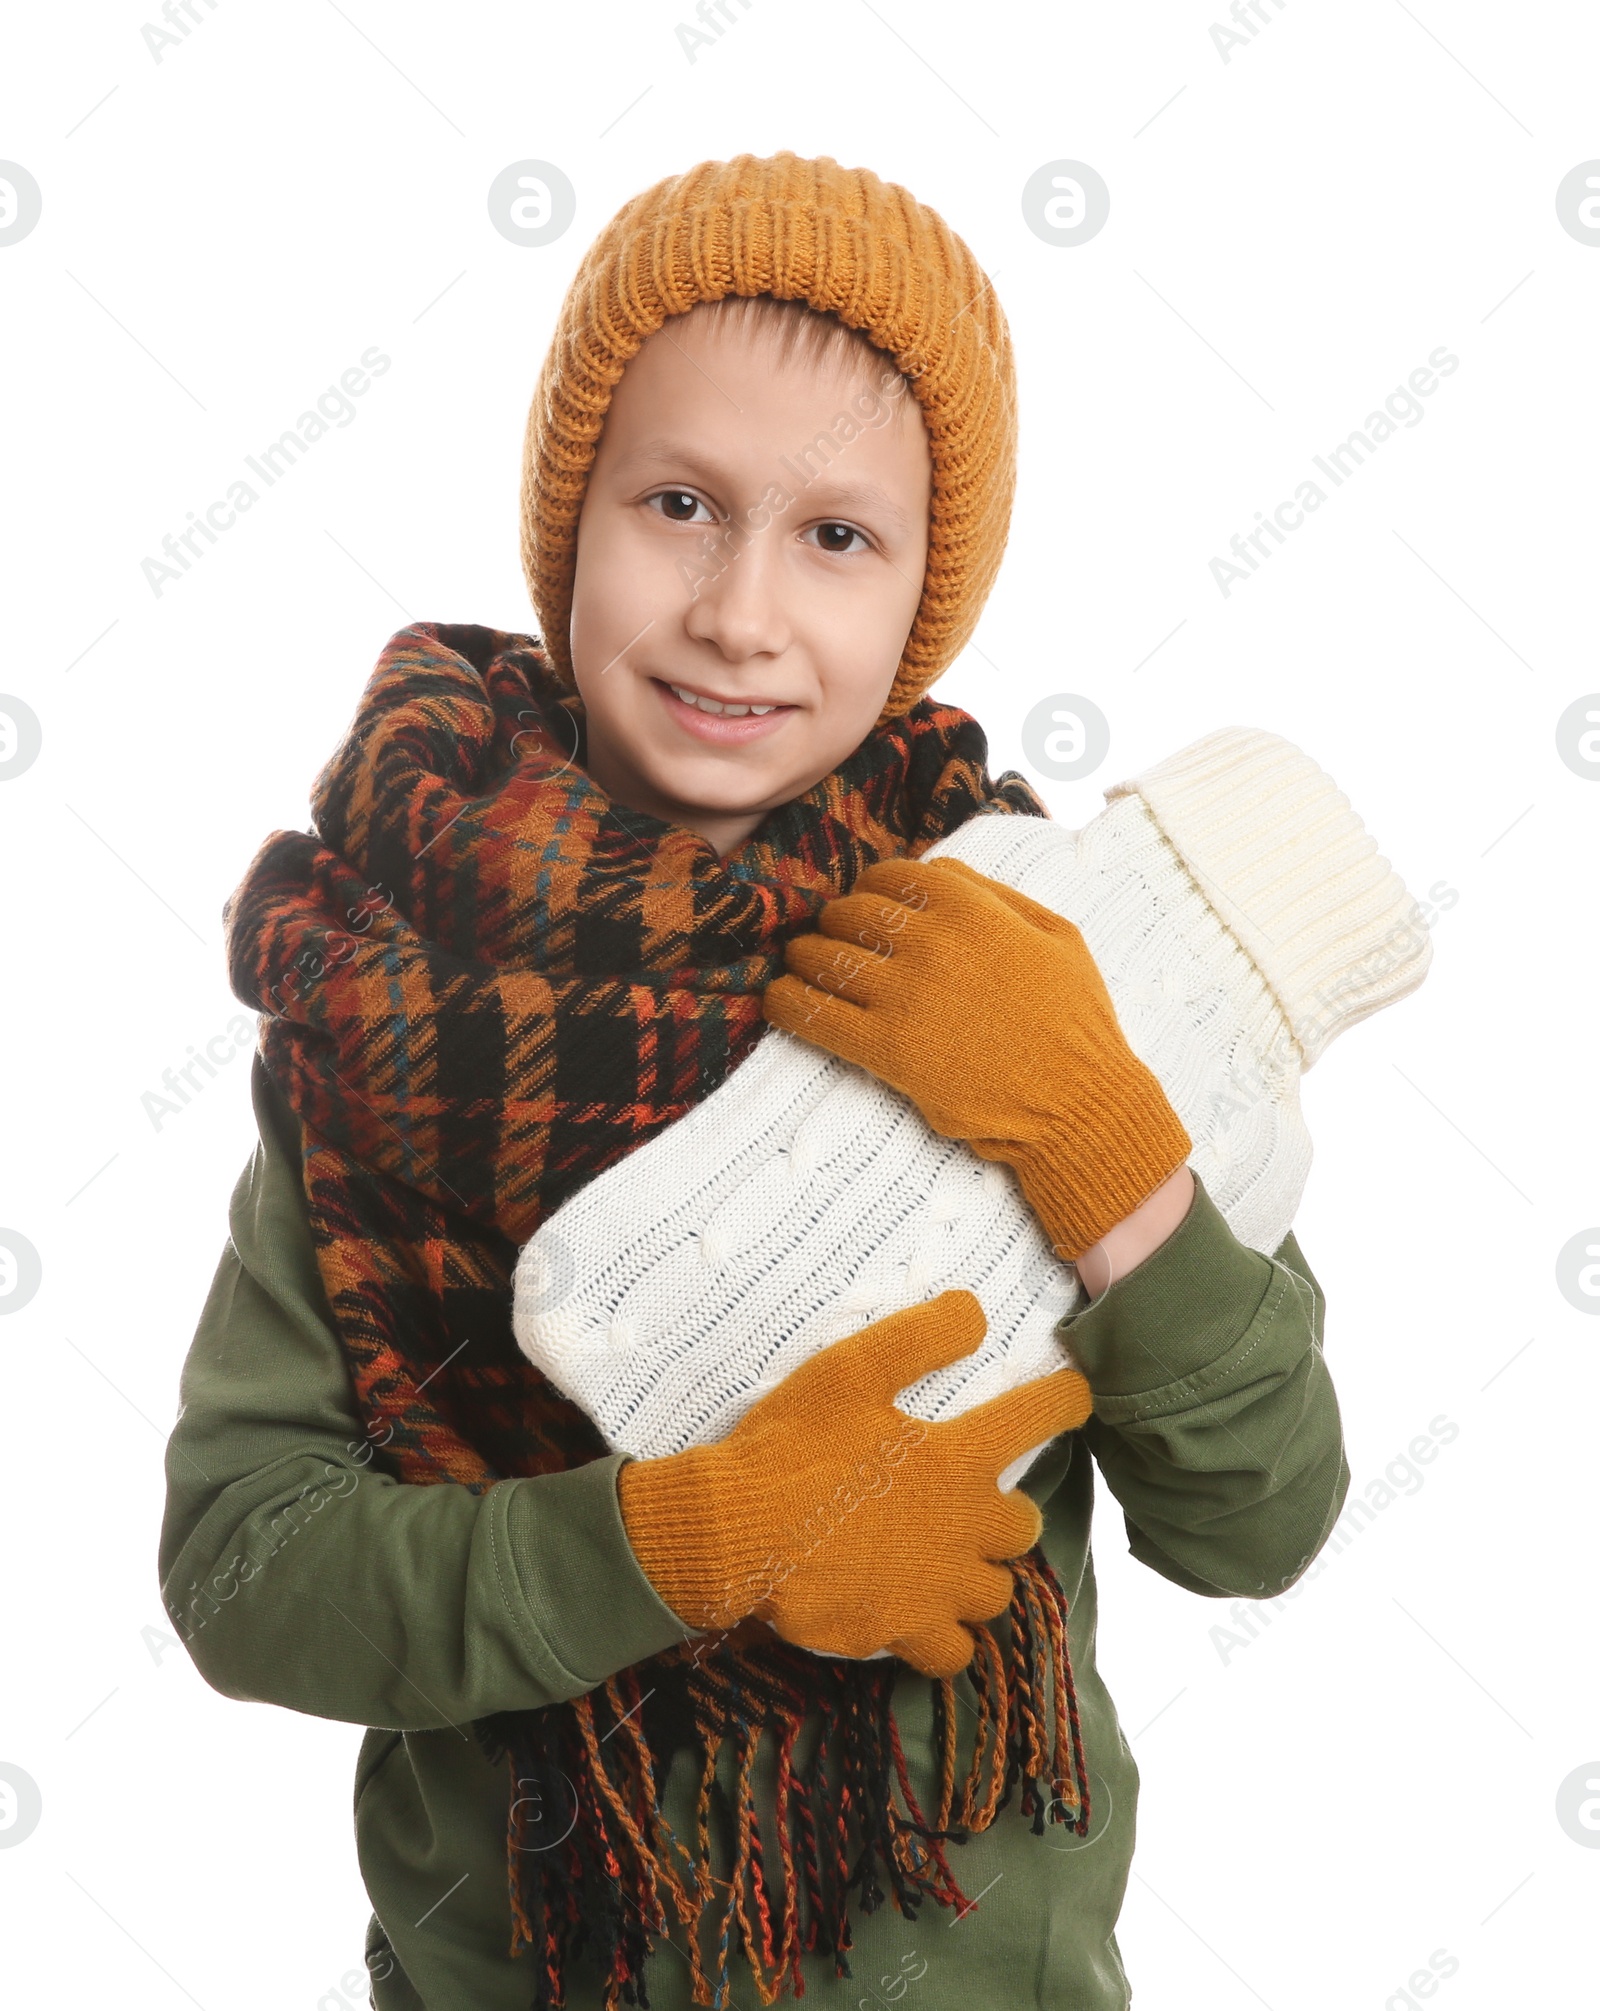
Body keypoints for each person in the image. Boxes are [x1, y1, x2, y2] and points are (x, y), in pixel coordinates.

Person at [160, 151, 1349, 2010]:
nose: (737, 610)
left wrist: (1112, 1160)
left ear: (926, 592)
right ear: (573, 528)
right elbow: (249, 1571)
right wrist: (683, 1538)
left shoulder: (1057, 952)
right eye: (681, 504)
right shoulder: (381, 1002)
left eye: (839, 537)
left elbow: (1258, 1519)